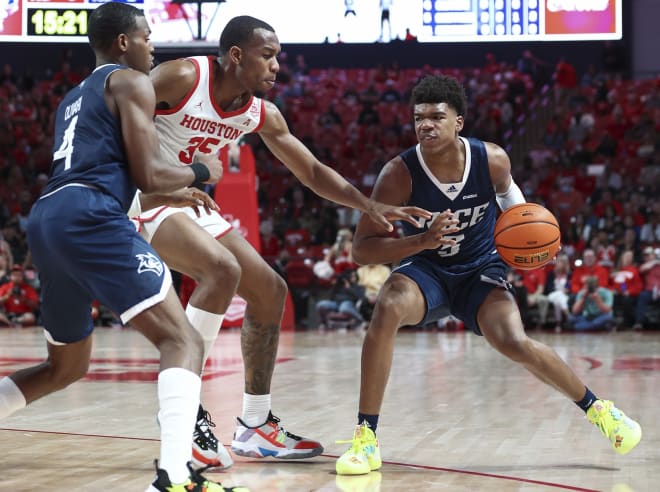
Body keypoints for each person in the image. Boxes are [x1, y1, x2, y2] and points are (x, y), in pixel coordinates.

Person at [131, 15, 431, 469]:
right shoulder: (184, 75)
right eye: (267, 56)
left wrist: (368, 205)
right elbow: (120, 112)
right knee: (222, 270)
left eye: (278, 58)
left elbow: (311, 172)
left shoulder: (260, 112)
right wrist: (135, 180)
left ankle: (255, 425)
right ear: (236, 56)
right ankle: (184, 409)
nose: (276, 67)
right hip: (144, 194)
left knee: (270, 292)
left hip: (189, 201)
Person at [334, 75, 642, 476]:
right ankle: (366, 437)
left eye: (436, 117)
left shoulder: (491, 159)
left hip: (481, 266)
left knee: (513, 340)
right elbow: (362, 249)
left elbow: (516, 208)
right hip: (427, 269)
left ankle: (601, 410)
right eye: (418, 118)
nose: (425, 124)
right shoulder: (399, 174)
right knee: (388, 305)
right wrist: (421, 242)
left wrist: (535, 244)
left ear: (459, 121)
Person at [0, 3, 245, 491]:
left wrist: (169, 191)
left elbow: (115, 176)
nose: (155, 46)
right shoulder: (132, 82)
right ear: (123, 43)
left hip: (49, 217)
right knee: (183, 340)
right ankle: (175, 477)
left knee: (65, 366)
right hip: (90, 216)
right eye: (148, 36)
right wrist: (202, 172)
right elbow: (148, 172)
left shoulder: (73, 97)